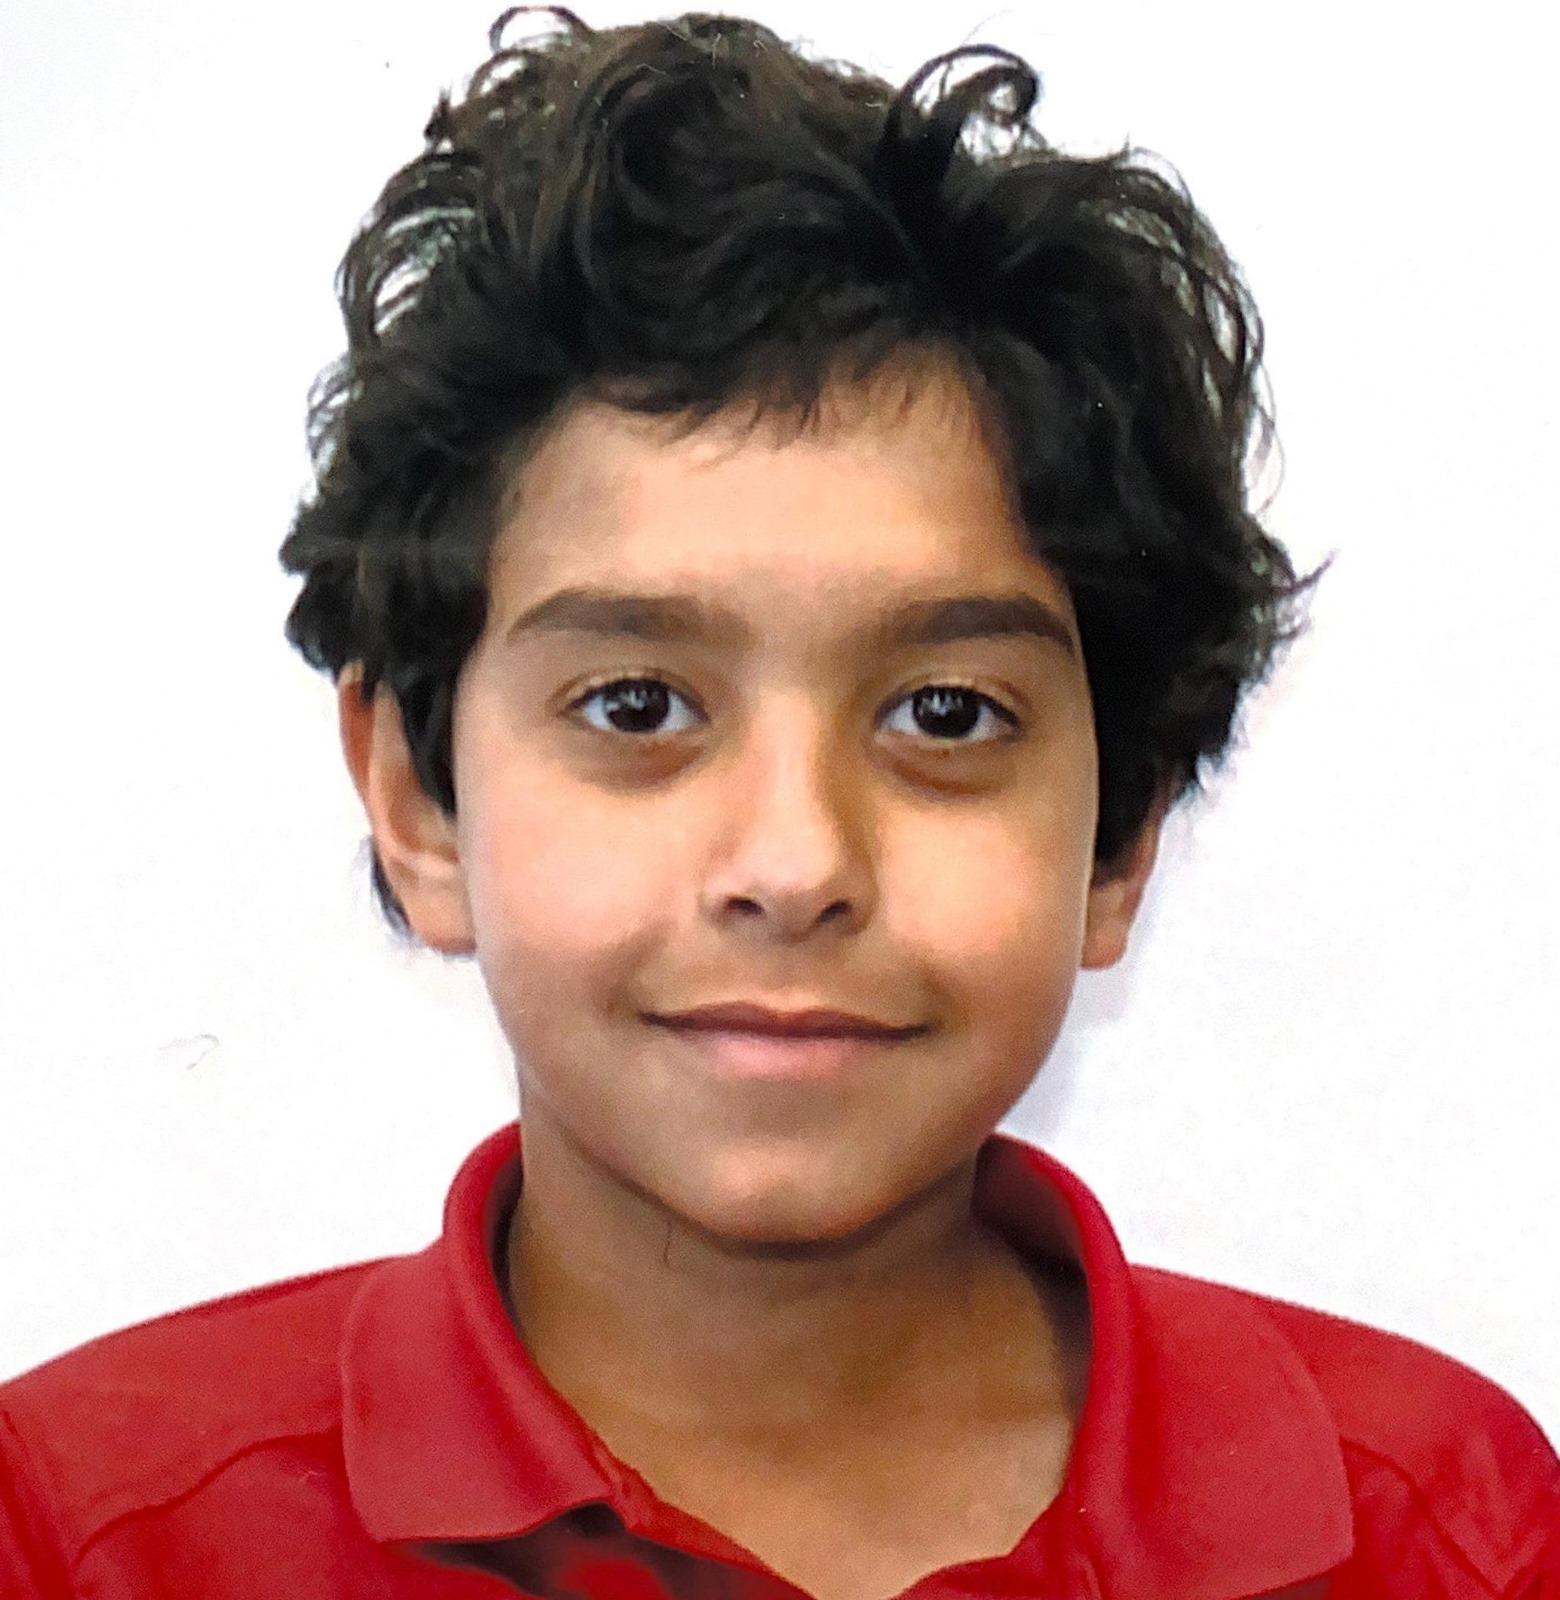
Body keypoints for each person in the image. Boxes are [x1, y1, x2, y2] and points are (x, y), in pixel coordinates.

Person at [3, 7, 1555, 1597]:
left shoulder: (1444, 1535)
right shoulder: (80, 1539)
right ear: (418, 799)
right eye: (638, 707)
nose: (796, 863)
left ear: (1122, 835)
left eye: (945, 715)